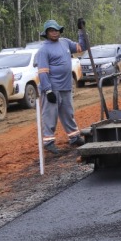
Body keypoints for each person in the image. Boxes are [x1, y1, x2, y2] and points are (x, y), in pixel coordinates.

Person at [36, 20, 86, 154]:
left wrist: (81, 31)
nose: (55, 32)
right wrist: (48, 90)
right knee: (50, 115)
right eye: (52, 30)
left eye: (57, 30)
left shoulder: (65, 42)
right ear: (46, 33)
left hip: (66, 86)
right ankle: (49, 142)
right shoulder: (44, 50)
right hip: (52, 88)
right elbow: (42, 72)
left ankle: (74, 137)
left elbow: (82, 47)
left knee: (68, 113)